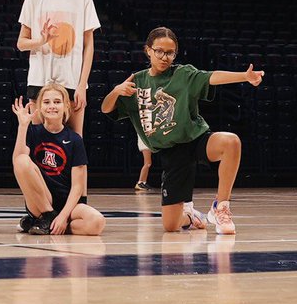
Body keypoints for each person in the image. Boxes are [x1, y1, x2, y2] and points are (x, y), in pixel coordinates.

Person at [101, 26, 265, 235]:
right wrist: (116, 91)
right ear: (148, 50)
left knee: (230, 142)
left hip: (195, 139)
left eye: (170, 53)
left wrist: (244, 76)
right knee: (170, 226)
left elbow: (211, 77)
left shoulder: (183, 74)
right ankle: (190, 215)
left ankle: (221, 207)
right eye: (159, 51)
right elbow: (106, 108)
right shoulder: (137, 81)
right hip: (171, 153)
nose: (164, 57)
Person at [17, 0, 100, 135]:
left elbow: (89, 46)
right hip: (40, 80)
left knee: (75, 145)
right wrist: (41, 40)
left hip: (72, 82)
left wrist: (82, 85)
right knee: (38, 144)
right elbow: (21, 44)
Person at [12, 85, 106, 236]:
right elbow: (18, 162)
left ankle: (47, 223)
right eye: (47, 102)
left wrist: (63, 217)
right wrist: (23, 126)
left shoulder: (75, 139)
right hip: (41, 201)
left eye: (57, 102)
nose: (52, 106)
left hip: (68, 203)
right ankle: (46, 215)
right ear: (40, 107)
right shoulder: (32, 132)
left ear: (65, 106)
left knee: (97, 222)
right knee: (22, 160)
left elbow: (78, 186)